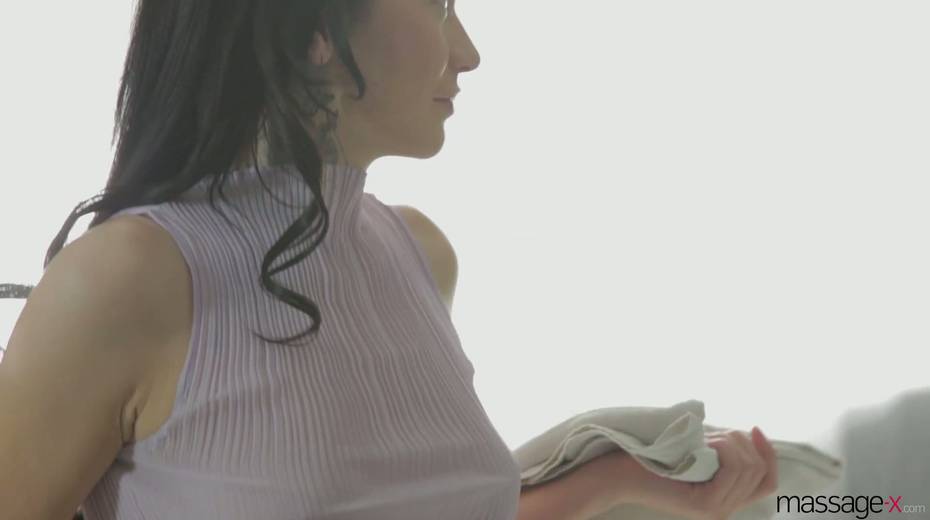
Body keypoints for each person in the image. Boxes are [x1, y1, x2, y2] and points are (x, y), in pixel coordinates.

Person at [0, 0, 777, 518]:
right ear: (315, 29)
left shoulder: (420, 255)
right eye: (439, 3)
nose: (468, 52)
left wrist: (615, 480)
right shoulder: (127, 280)